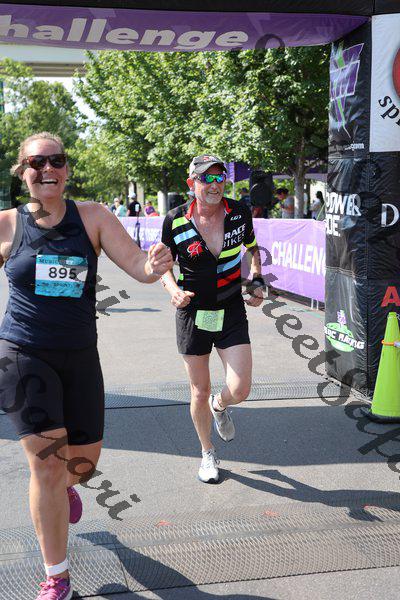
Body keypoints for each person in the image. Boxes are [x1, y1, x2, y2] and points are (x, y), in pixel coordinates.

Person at [0, 132, 173, 600]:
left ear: (67, 168)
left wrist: (156, 265)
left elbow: (138, 266)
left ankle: (67, 489)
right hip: (22, 355)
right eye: (36, 162)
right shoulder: (7, 225)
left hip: (79, 356)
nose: (47, 169)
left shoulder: (93, 217)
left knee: (83, 464)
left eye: (56, 160)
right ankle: (57, 577)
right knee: (47, 467)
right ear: (22, 171)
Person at [161, 154, 264, 484]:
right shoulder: (175, 220)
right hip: (193, 312)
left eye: (220, 178)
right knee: (199, 390)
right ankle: (207, 452)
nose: (215, 184)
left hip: (230, 307)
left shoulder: (239, 212)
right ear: (192, 183)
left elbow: (253, 248)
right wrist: (173, 290)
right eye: (206, 178)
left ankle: (220, 406)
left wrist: (257, 278)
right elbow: (163, 265)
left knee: (240, 388)